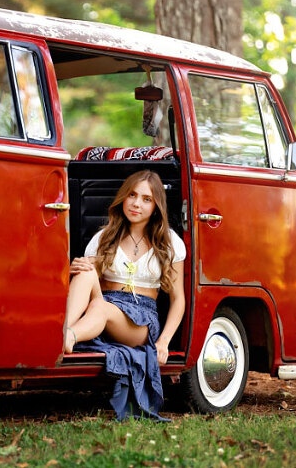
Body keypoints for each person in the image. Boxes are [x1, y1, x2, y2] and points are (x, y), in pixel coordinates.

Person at [63, 169, 185, 421]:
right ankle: (65, 331)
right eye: (132, 195)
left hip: (140, 320)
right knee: (86, 271)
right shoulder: (105, 236)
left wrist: (163, 342)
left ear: (156, 206)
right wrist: (74, 268)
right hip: (104, 306)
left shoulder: (169, 241)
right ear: (123, 198)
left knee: (102, 308)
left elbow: (178, 299)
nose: (137, 203)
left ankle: (68, 335)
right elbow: (88, 285)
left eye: (146, 199)